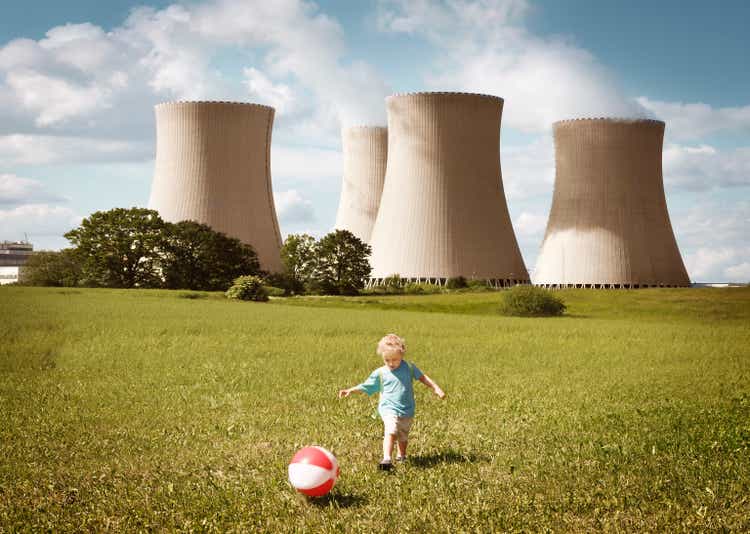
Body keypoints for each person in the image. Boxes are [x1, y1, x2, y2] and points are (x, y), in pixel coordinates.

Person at [338, 333, 445, 469]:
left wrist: (435, 387)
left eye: (395, 360)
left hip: (407, 409)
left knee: (403, 435)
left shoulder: (409, 367)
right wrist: (351, 390)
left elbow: (422, 377)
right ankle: (386, 459)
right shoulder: (381, 373)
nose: (391, 363)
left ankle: (402, 456)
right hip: (388, 409)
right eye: (387, 360)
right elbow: (366, 385)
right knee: (391, 430)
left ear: (402, 354)